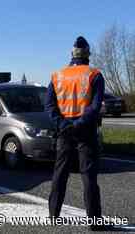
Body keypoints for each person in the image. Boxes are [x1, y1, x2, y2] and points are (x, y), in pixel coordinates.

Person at [45, 36, 108, 230]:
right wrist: (79, 123)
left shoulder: (57, 75)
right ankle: (94, 223)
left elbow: (49, 105)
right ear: (88, 54)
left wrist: (63, 124)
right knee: (88, 176)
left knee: (60, 173)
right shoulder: (94, 74)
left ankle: (54, 215)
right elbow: (95, 106)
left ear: (71, 55)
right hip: (86, 131)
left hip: (64, 132)